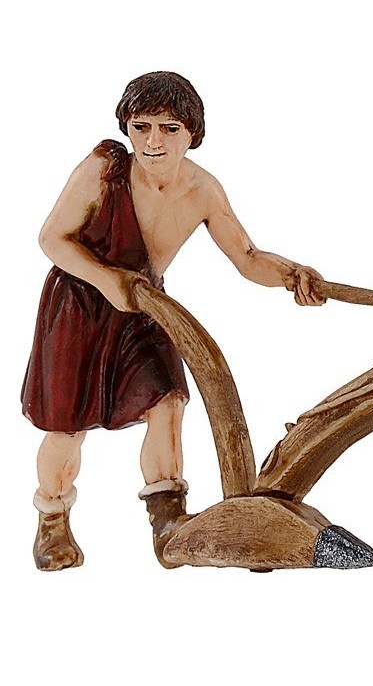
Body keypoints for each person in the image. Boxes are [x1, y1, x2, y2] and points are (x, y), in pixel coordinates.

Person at [22, 71, 327, 570]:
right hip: (78, 306)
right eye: (141, 127)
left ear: (192, 133)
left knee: (167, 402)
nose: (153, 142)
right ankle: (52, 519)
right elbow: (52, 239)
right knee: (67, 427)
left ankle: (168, 522)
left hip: (145, 309)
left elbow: (248, 257)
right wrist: (107, 280)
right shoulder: (103, 170)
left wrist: (292, 275)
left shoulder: (202, 190)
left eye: (168, 128)